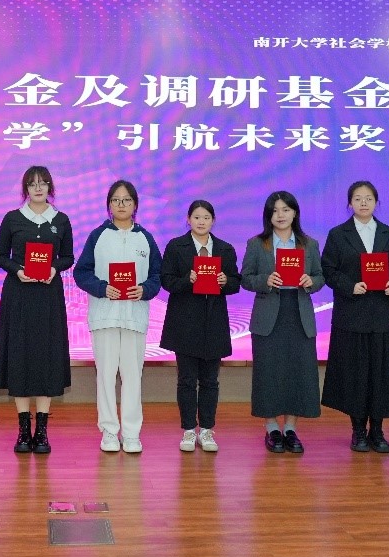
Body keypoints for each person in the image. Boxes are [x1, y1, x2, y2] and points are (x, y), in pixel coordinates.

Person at [74, 180, 162, 454]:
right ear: (109, 205)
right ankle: (110, 431)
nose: (121, 205)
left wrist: (144, 290)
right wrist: (102, 288)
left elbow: (157, 276)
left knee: (133, 376)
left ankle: (132, 434)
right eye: (116, 200)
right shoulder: (98, 236)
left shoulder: (145, 238)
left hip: (135, 317)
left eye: (126, 200)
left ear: (135, 205)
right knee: (106, 375)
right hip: (105, 317)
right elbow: (81, 273)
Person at [0, 166, 75, 454]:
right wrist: (18, 270)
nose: (38, 188)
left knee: (46, 356)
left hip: (48, 295)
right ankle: (23, 430)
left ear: (50, 187)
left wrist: (53, 268)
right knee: (20, 355)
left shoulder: (61, 220)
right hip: (19, 295)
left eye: (43, 183)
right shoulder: (12, 218)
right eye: (32, 184)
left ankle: (42, 431)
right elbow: (0, 255)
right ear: (25, 188)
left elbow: (68, 257)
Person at [320, 180, 389, 453]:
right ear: (350, 204)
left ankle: (377, 431)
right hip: (351, 314)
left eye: (368, 198)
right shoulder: (338, 234)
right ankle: (358, 430)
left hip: (382, 315)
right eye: (357, 198)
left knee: (381, 374)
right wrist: (349, 286)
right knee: (355, 374)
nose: (363, 203)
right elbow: (328, 271)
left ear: (376, 202)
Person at [240, 191, 325, 455]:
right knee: (269, 372)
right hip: (268, 315)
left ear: (295, 213)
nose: (280, 215)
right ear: (268, 215)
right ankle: (271, 428)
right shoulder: (257, 243)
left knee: (298, 372)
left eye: (285, 210)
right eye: (275, 210)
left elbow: (320, 276)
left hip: (298, 314)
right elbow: (245, 278)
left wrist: (311, 282)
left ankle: (290, 429)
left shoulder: (309, 244)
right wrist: (264, 280)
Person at [159, 200, 240, 453]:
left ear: (213, 220)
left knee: (210, 381)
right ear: (188, 219)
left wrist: (225, 281)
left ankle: (206, 430)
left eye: (206, 217)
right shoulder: (176, 246)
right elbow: (166, 281)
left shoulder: (225, 249)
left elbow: (236, 282)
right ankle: (187, 430)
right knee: (186, 380)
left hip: (213, 323)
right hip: (185, 323)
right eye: (196, 217)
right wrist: (187, 279)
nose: (201, 221)